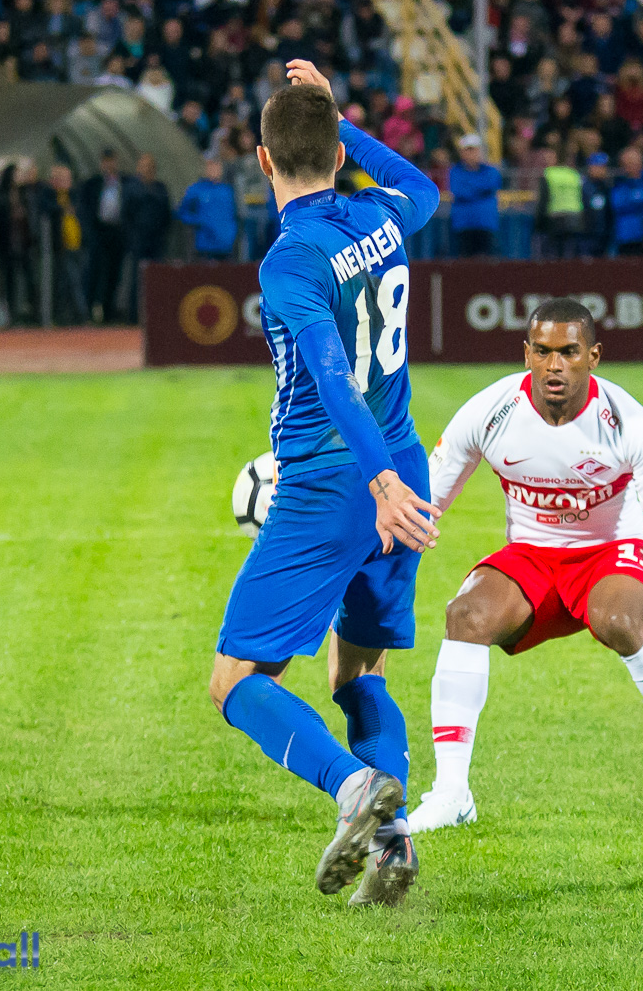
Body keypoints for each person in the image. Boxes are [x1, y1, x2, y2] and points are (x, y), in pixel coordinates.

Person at [207, 60, 441, 910]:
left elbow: (332, 374)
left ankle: (352, 789)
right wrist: (345, 119)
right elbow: (426, 189)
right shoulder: (381, 214)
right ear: (341, 152)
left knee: (236, 679)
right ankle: (393, 842)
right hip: (405, 463)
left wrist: (375, 482)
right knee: (356, 669)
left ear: (263, 162)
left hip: (339, 480)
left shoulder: (290, 259)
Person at [411, 298, 643, 833]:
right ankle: (451, 794)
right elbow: (422, 507)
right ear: (526, 354)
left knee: (620, 620)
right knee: (464, 616)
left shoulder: (630, 424)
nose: (554, 366)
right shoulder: (489, 412)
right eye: (542, 352)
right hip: (533, 555)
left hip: (611, 550)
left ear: (593, 356)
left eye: (569, 352)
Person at [0, 161, 41, 326]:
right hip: (7, 245)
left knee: (31, 279)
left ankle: (35, 313)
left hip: (24, 244)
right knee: (9, 281)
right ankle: (11, 314)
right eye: (17, 173)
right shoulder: (1, 196)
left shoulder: (27, 195)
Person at [82, 149, 128, 323]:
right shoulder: (92, 183)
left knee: (114, 273)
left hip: (117, 232)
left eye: (111, 161)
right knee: (94, 271)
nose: (109, 165)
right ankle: (89, 309)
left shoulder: (125, 182)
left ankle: (109, 312)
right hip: (98, 232)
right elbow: (85, 208)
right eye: (106, 161)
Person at [124, 153, 171, 320]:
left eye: (150, 166)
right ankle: (134, 314)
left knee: (156, 277)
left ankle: (155, 314)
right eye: (143, 166)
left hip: (157, 240)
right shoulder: (132, 188)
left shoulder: (160, 188)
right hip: (138, 239)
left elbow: (166, 214)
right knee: (137, 278)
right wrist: (131, 236)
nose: (147, 169)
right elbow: (126, 214)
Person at [40, 164, 88, 325]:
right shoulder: (49, 197)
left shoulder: (75, 196)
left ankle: (73, 315)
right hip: (61, 247)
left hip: (77, 245)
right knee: (69, 281)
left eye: (67, 178)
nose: (66, 182)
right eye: (61, 179)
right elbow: (47, 211)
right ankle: (79, 315)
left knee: (74, 280)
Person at [447, 134, 502, 258]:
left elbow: (491, 184)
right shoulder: (455, 171)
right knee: (464, 261)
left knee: (487, 260)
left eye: (474, 150)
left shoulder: (491, 171)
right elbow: (459, 191)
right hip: (463, 224)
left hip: (485, 223)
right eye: (468, 150)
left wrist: (470, 187)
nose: (471, 154)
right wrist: (480, 190)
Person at [177, 156, 238, 260]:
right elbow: (182, 212)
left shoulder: (229, 190)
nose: (214, 169)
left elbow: (236, 214)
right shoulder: (196, 189)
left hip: (227, 246)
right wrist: (199, 220)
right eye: (210, 166)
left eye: (216, 165)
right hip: (205, 246)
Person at [533, 146, 584, 258]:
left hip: (555, 218)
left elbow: (544, 199)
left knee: (553, 256)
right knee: (570, 255)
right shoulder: (573, 174)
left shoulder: (548, 174)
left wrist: (538, 222)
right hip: (575, 218)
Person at [609, 147, 643, 256]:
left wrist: (634, 199)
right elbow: (617, 204)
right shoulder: (618, 182)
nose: (628, 167)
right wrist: (636, 199)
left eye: (632, 163)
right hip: (625, 234)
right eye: (625, 164)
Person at [580, 152, 613, 257]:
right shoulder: (583, 186)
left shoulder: (606, 187)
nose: (603, 170)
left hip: (603, 235)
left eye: (604, 167)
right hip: (586, 236)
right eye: (599, 166)